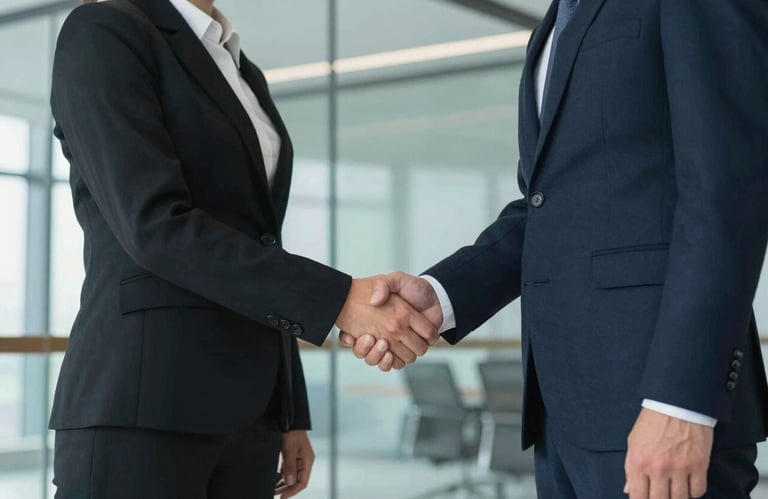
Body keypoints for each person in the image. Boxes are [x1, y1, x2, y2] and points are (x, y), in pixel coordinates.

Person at [344, 0, 768, 498]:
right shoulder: (556, 20)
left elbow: (728, 193)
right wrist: (441, 294)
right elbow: (548, 208)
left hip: (656, 400)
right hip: (561, 414)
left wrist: (681, 403)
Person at [49, 0, 436, 498]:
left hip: (248, 416)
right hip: (145, 404)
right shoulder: (105, 30)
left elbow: (261, 242)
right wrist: (340, 300)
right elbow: (154, 226)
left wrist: (289, 411)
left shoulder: (240, 67)